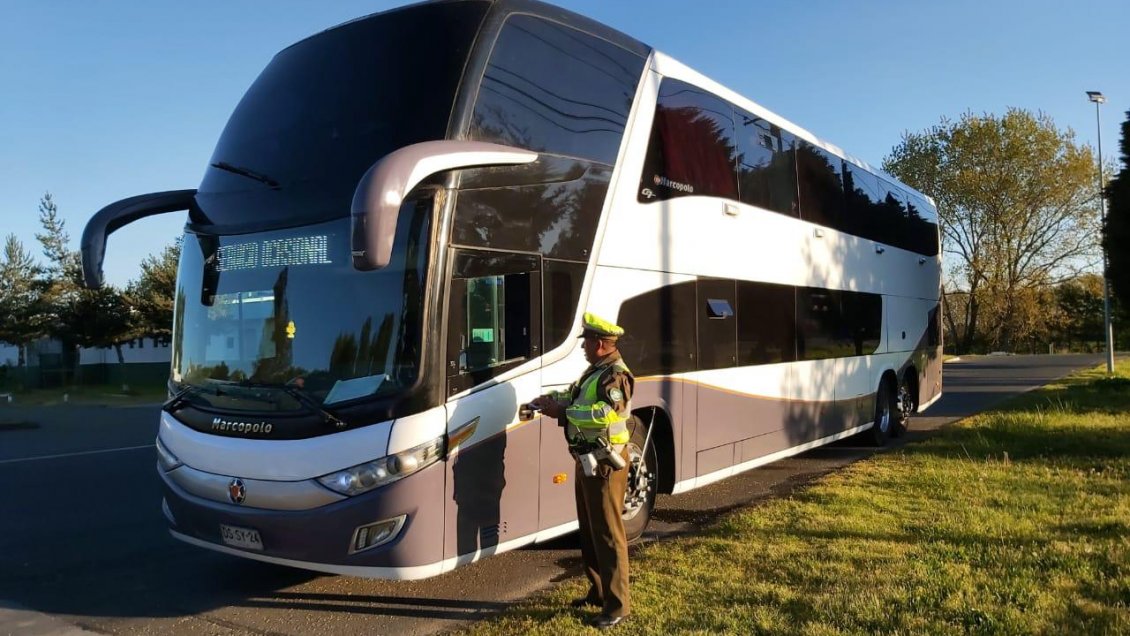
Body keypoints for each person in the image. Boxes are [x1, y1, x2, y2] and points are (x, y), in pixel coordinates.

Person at [530, 312, 635, 629]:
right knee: (589, 530)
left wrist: (563, 412)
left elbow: (606, 413)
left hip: (605, 463)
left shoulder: (615, 375)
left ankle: (617, 607)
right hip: (588, 459)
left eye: (586, 342)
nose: (583, 347)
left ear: (600, 344)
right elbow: (575, 396)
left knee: (608, 533)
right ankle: (599, 591)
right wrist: (551, 400)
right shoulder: (595, 371)